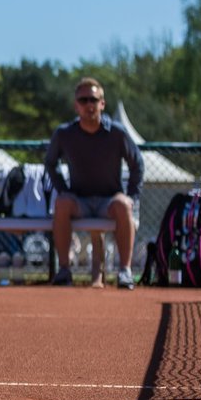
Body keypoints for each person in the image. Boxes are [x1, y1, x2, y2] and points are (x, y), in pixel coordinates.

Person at [44, 77, 144, 290]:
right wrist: (63, 190)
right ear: (76, 105)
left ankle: (125, 271)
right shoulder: (64, 134)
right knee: (61, 203)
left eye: (94, 99)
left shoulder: (117, 133)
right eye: (83, 100)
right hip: (79, 200)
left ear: (102, 104)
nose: (89, 104)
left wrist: (132, 196)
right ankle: (64, 270)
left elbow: (138, 164)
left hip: (109, 201)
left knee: (124, 205)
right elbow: (50, 163)